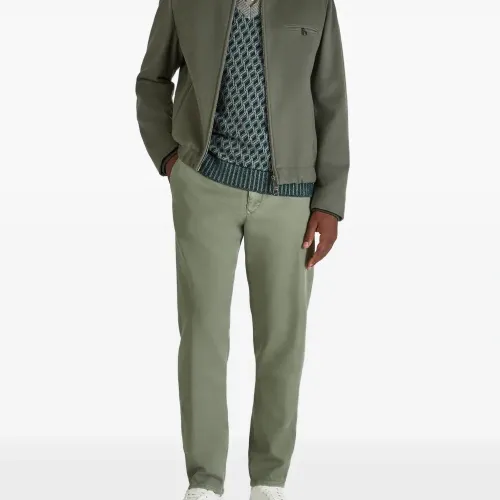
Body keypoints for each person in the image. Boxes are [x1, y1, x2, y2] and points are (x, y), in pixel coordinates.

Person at [135, 0, 349, 497]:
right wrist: (169, 158)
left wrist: (330, 202)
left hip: (291, 199)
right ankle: (204, 482)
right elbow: (152, 80)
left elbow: (331, 98)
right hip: (204, 185)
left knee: (282, 342)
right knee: (202, 337)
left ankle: (269, 480)